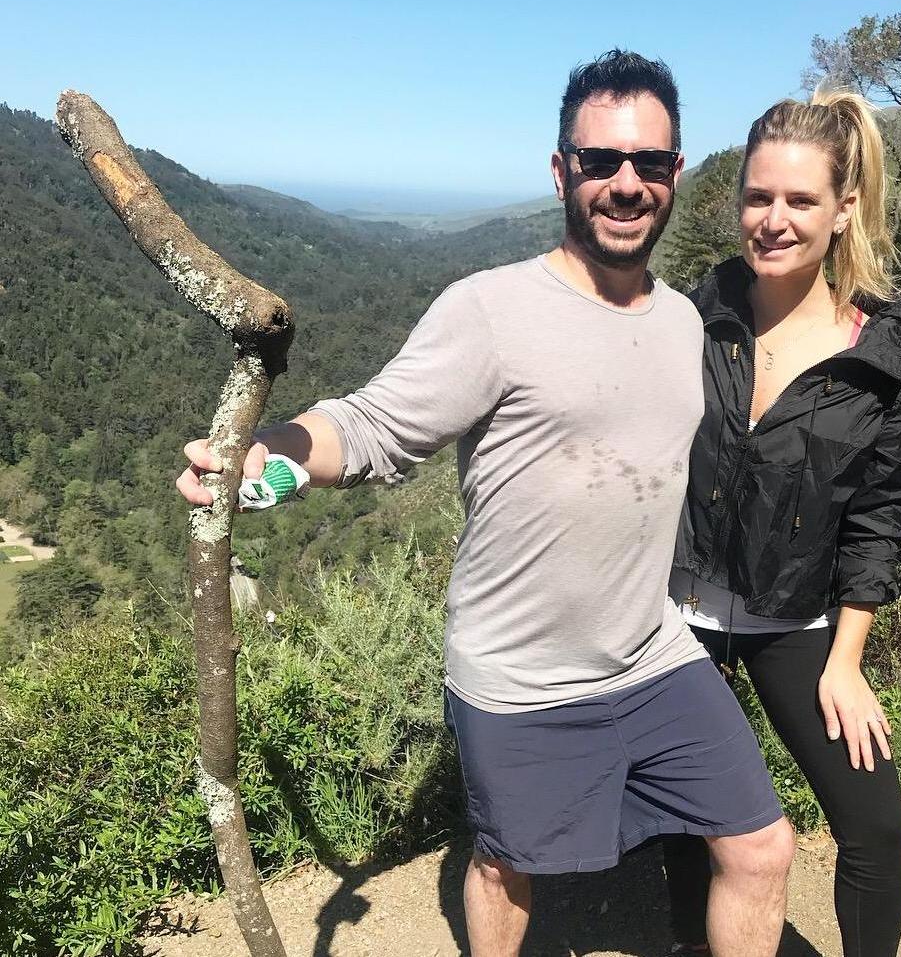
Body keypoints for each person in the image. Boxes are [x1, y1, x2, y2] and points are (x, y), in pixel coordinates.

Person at [177, 50, 795, 957]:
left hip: (652, 652)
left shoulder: (682, 322)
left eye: (650, 164)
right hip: (520, 679)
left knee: (761, 844)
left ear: (675, 174)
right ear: (561, 172)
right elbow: (373, 425)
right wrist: (258, 462)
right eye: (600, 162)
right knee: (509, 869)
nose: (626, 185)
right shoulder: (492, 309)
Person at [662, 91, 901, 957]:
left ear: (844, 210)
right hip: (676, 613)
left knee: (875, 828)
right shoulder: (693, 319)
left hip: (795, 616)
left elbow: (880, 515)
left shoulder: (880, 353)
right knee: (690, 825)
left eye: (800, 201)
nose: (773, 220)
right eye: (757, 197)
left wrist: (846, 661)